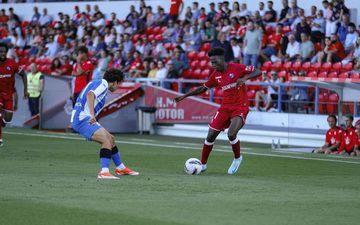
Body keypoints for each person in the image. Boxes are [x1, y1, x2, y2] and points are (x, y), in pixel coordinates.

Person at [174, 47, 262, 174]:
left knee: (231, 134)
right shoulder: (215, 75)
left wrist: (244, 78)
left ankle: (237, 158)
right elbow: (203, 88)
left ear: (222, 59)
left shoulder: (237, 68)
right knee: (210, 136)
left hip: (240, 107)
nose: (213, 64)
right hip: (225, 108)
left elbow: (258, 71)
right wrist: (185, 95)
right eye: (211, 62)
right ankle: (203, 165)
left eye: (215, 62)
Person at [71, 69, 139, 179]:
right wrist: (92, 115)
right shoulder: (103, 84)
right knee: (106, 140)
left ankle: (121, 168)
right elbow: (90, 95)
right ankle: (104, 172)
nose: (117, 87)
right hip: (83, 119)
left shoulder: (95, 82)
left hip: (82, 117)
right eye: (119, 83)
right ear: (115, 82)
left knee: (111, 139)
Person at [0, 42, 29, 147]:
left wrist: (25, 90)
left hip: (8, 96)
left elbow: (23, 74)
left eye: (4, 52)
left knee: (8, 118)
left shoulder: (12, 63)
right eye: (0, 52)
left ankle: (2, 121)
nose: (2, 53)